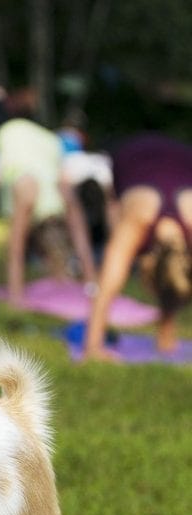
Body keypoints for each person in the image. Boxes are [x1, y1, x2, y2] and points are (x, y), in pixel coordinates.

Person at [83, 134, 192, 362]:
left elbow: (107, 283)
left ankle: (166, 333)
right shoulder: (138, 218)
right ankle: (165, 332)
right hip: (132, 155)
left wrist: (94, 345)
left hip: (180, 156)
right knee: (116, 227)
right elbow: (108, 281)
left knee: (171, 276)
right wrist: (93, 347)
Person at [0, 118, 98, 306]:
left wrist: (92, 286)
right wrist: (16, 298)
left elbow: (16, 249)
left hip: (40, 141)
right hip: (17, 135)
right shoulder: (39, 192)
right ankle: (44, 282)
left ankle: (56, 279)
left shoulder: (60, 193)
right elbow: (14, 250)